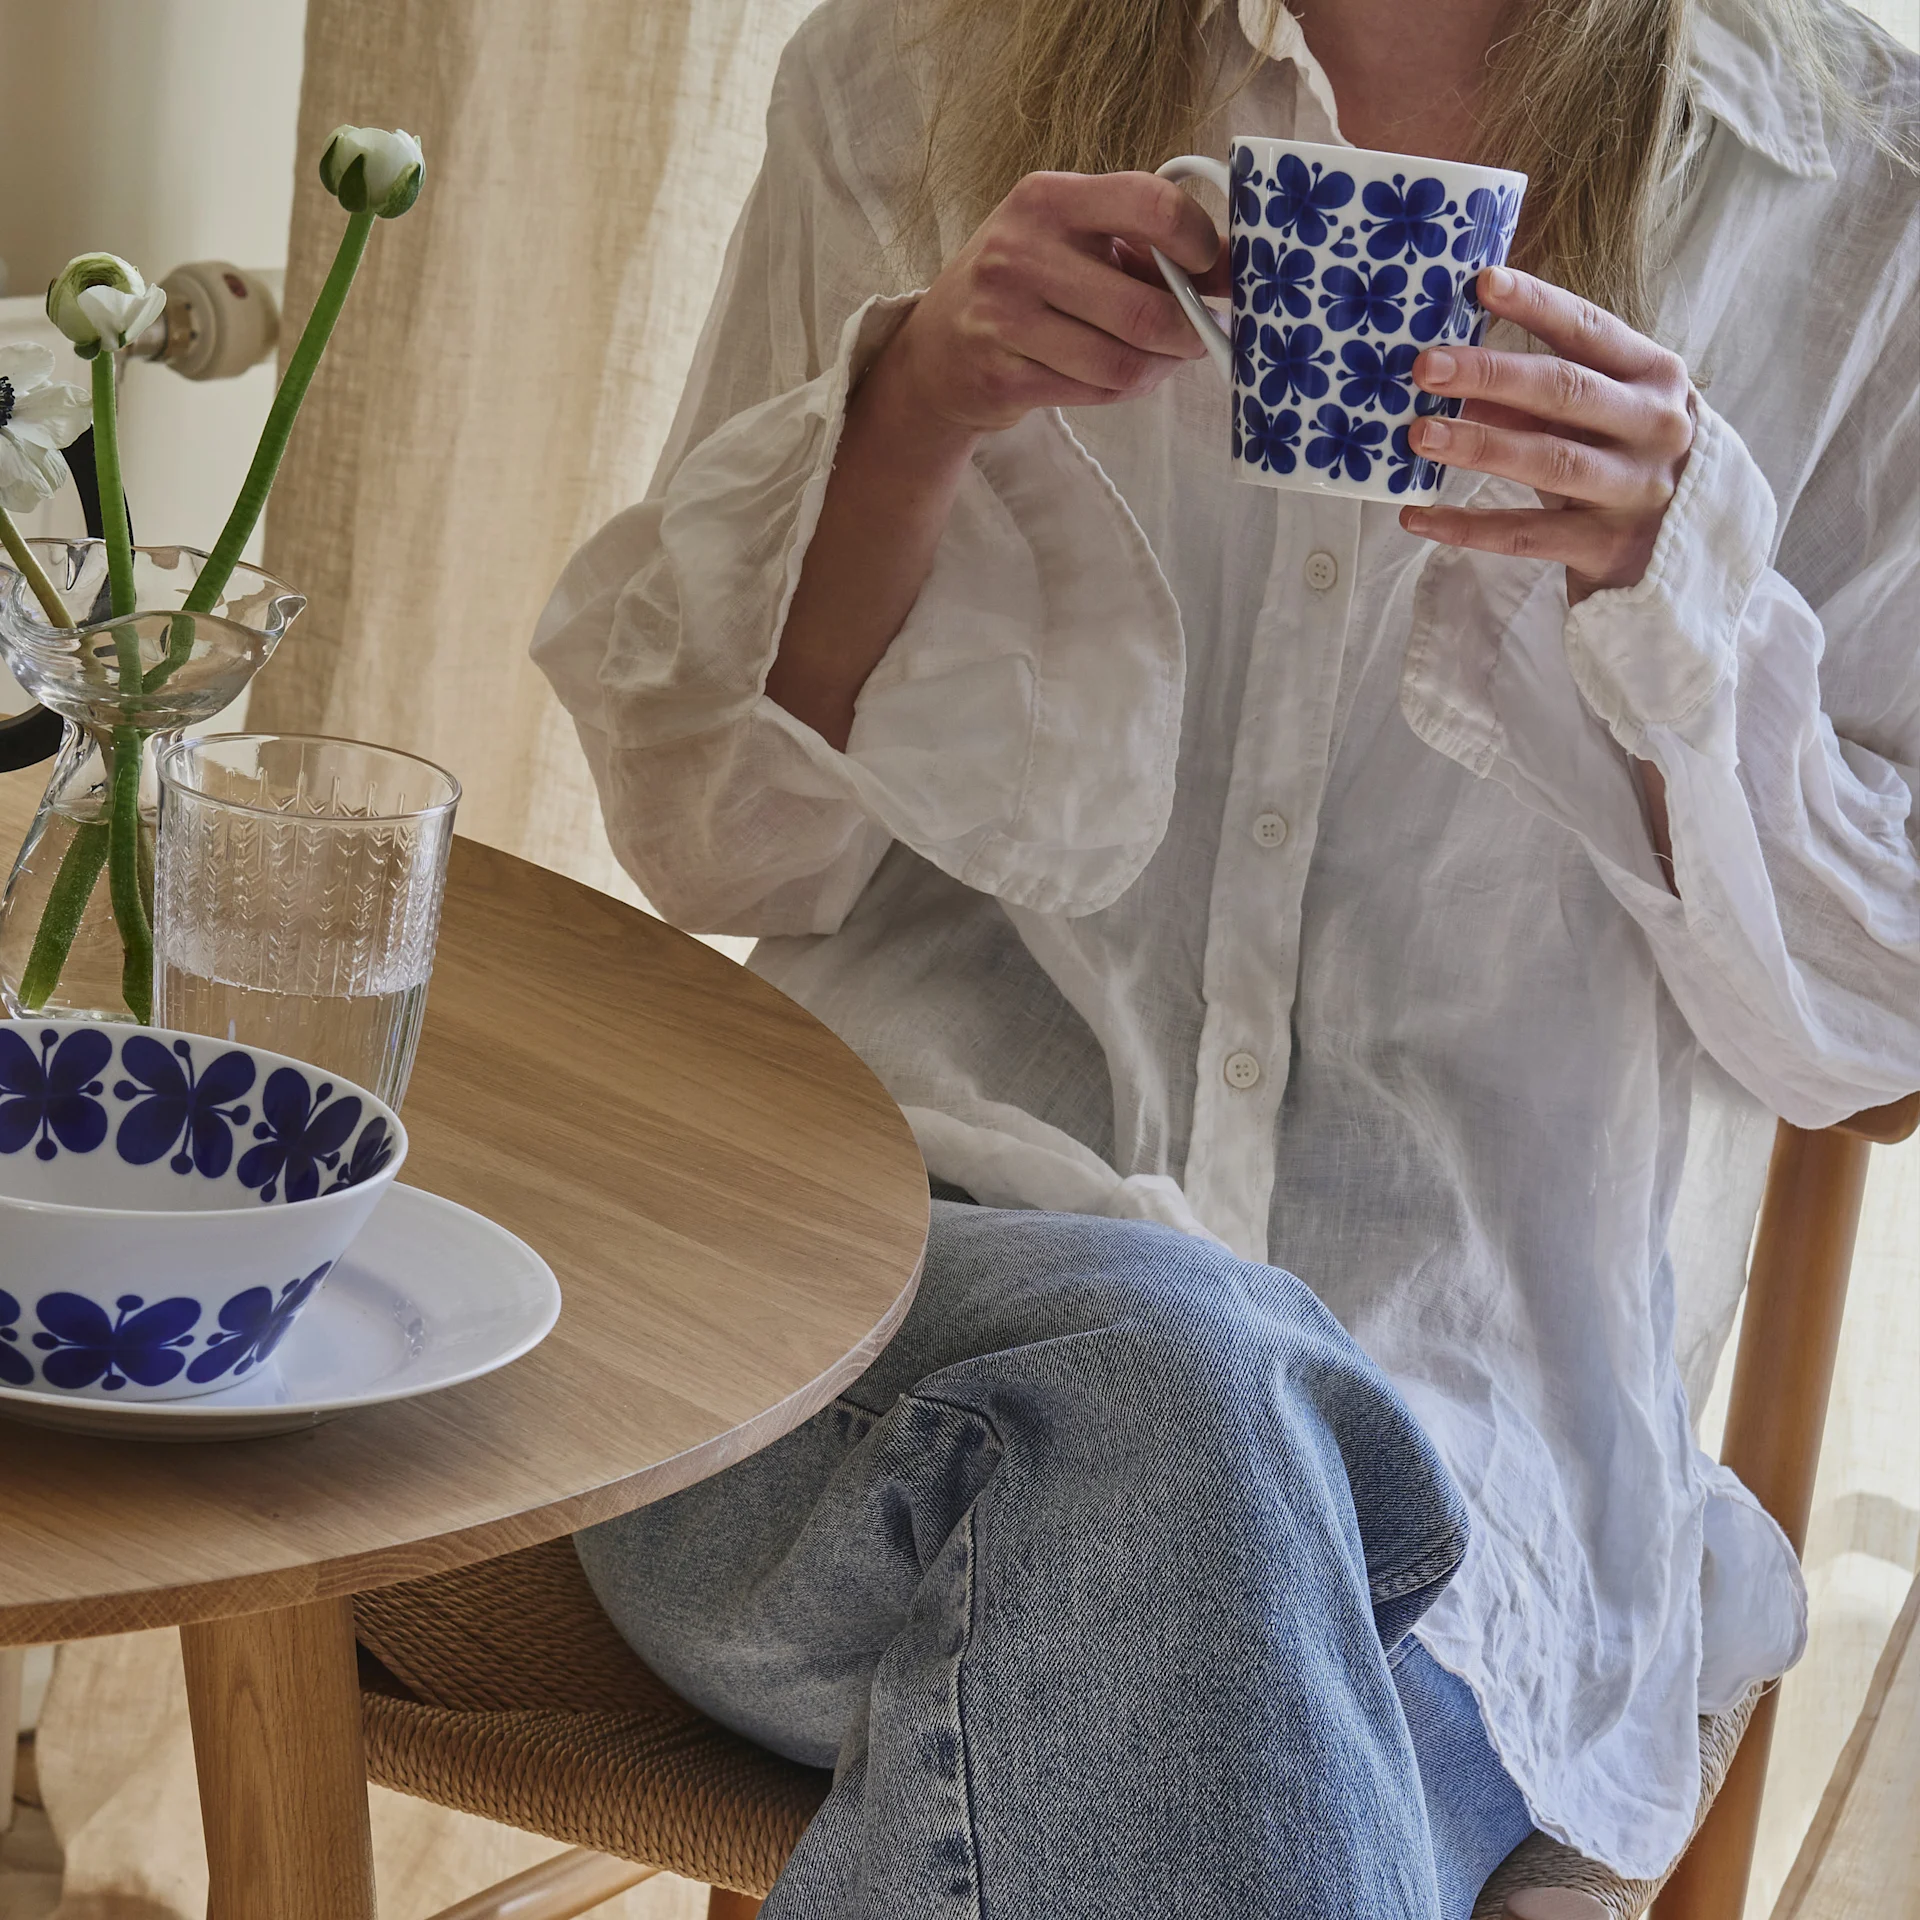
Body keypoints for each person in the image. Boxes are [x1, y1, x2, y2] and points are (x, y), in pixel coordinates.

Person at [533, 0, 1920, 1910]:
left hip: (1448, 1524)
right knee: (1189, 1381)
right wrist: (915, 406)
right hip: (861, 1348)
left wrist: (1672, 605)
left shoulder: (1866, 196)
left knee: (1211, 1471)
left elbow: (1872, 1032)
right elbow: (712, 843)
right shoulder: (916, 70)